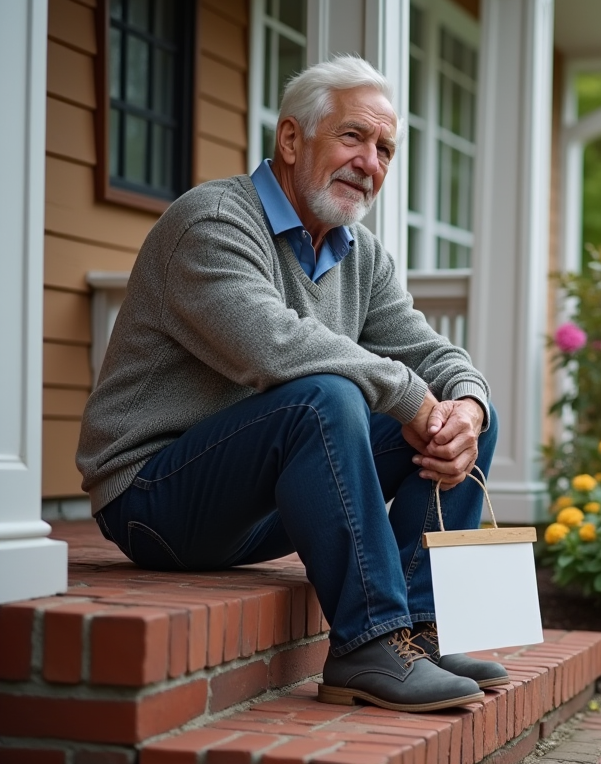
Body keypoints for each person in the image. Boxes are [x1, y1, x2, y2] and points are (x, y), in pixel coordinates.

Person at [76, 55, 505, 713]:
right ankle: (368, 643)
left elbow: (431, 353)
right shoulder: (212, 222)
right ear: (291, 139)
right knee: (325, 394)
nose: (370, 162)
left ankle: (418, 634)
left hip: (258, 501)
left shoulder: (362, 255)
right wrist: (409, 397)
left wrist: (466, 404)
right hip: (154, 498)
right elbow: (274, 347)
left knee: (460, 412)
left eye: (385, 149)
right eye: (354, 136)